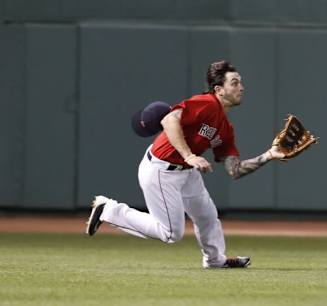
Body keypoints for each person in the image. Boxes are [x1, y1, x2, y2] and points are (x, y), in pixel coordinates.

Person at [86, 60, 285, 268]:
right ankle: (109, 210)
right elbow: (169, 120)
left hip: (186, 172)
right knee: (171, 233)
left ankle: (215, 260)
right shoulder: (207, 103)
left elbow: (234, 170)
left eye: (241, 83)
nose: (241, 87)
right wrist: (190, 156)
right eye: (234, 83)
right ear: (219, 89)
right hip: (162, 169)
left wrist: (268, 155)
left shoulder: (226, 128)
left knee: (207, 216)